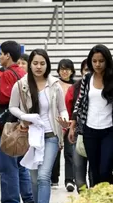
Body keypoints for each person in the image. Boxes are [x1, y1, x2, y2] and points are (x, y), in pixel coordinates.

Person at [9, 49, 69, 203]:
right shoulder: (21, 84)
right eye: (35, 63)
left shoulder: (55, 84)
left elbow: (62, 108)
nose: (38, 66)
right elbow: (12, 106)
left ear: (47, 65)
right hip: (31, 136)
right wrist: (23, 116)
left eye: (42, 63)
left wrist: (64, 119)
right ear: (30, 64)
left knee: (43, 177)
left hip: (51, 135)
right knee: (34, 180)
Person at [68, 44, 113, 187]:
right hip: (89, 130)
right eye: (94, 61)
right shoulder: (87, 79)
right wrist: (73, 125)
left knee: (105, 170)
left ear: (107, 61)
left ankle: (108, 201)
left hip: (110, 131)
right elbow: (80, 102)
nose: (97, 64)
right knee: (94, 171)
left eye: (101, 61)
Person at [0, 41, 35, 203]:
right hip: (22, 124)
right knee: (21, 164)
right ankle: (29, 201)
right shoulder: (23, 72)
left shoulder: (8, 74)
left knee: (6, 165)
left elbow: (6, 98)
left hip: (9, 126)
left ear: (8, 55)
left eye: (1, 53)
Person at [65, 59, 92, 192]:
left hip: (98, 134)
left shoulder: (106, 85)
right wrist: (70, 126)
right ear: (81, 71)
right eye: (86, 69)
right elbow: (70, 109)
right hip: (79, 133)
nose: (89, 72)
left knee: (95, 173)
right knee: (79, 170)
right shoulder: (74, 88)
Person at [51, 59, 75, 191]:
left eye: (67, 69)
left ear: (72, 71)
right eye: (62, 69)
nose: (64, 71)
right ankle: (53, 179)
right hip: (56, 122)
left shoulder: (76, 85)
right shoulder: (54, 85)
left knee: (69, 152)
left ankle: (70, 180)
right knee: (54, 151)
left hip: (71, 123)